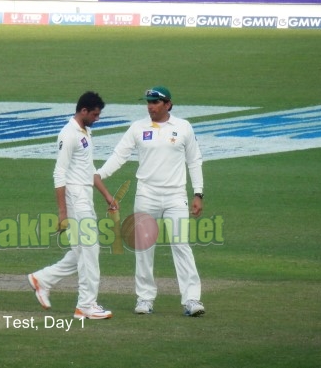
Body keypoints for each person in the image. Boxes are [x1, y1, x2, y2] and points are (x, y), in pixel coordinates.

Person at [97, 86, 205, 317]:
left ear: (168, 104)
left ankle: (192, 299)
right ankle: (145, 298)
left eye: (155, 102)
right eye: (148, 102)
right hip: (147, 194)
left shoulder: (183, 127)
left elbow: (194, 161)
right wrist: (99, 174)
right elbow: (120, 155)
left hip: (176, 195)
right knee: (144, 247)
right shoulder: (138, 127)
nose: (150, 106)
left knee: (181, 245)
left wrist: (198, 193)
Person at [28, 91, 116, 320]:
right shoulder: (68, 135)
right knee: (90, 251)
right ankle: (86, 305)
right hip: (76, 199)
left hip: (84, 197)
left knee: (80, 252)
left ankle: (43, 279)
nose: (97, 118)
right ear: (83, 111)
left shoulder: (86, 131)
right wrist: (62, 212)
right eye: (95, 114)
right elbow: (59, 173)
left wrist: (107, 195)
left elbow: (89, 168)